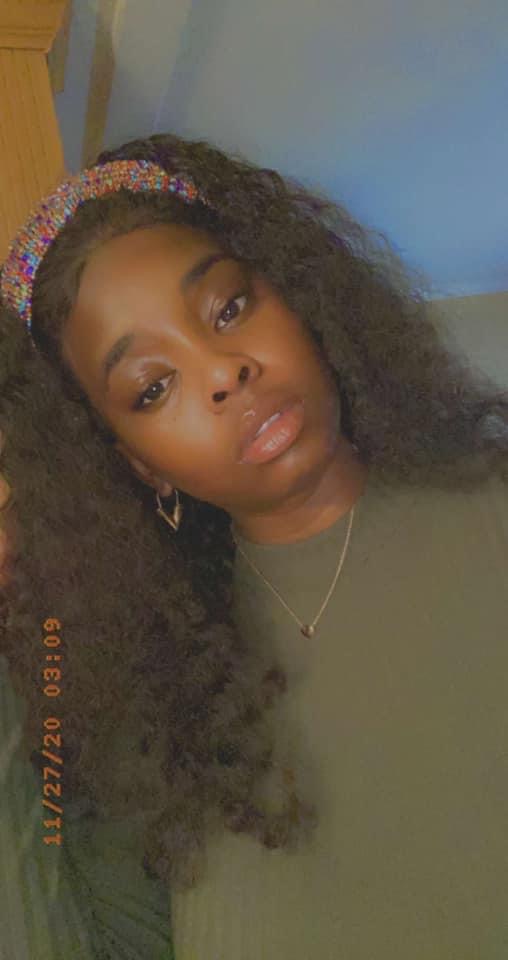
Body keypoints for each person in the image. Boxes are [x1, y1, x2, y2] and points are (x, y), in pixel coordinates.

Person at [0, 131, 506, 959]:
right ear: (136, 464)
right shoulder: (144, 716)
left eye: (228, 309)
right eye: (152, 387)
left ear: (297, 297)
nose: (223, 371)